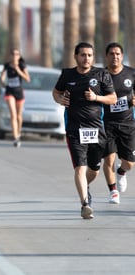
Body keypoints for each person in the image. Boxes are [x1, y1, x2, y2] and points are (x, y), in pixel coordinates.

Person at [52, 42, 117, 219]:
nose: (86, 58)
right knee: (80, 167)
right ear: (76, 56)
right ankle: (85, 204)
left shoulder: (101, 74)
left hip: (97, 129)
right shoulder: (67, 74)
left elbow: (113, 98)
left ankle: (85, 187)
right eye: (83, 55)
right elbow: (56, 92)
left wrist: (96, 97)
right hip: (74, 129)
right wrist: (60, 100)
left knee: (94, 169)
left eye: (89, 55)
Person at [102, 42, 135, 204]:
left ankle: (121, 172)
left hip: (128, 124)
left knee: (129, 163)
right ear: (106, 56)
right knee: (108, 160)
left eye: (117, 54)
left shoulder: (131, 74)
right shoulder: (100, 76)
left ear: (122, 56)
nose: (115, 56)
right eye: (111, 54)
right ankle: (113, 191)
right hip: (106, 124)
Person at [0, 48, 30, 147]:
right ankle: (15, 137)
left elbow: (27, 79)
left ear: (19, 56)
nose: (15, 56)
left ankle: (18, 132)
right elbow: (3, 76)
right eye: (13, 54)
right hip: (9, 92)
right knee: (13, 114)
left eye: (17, 54)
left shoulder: (22, 65)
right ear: (10, 56)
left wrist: (18, 70)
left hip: (19, 92)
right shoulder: (7, 65)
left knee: (18, 116)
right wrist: (2, 80)